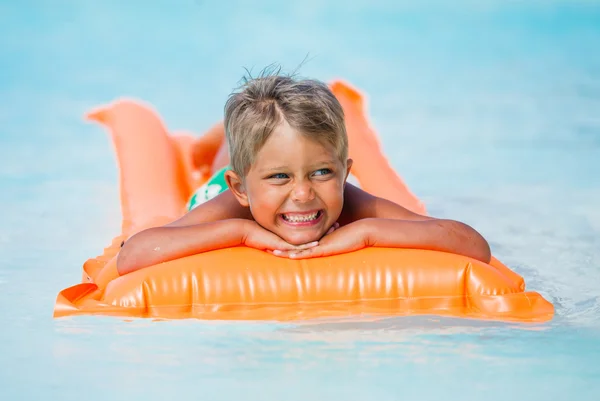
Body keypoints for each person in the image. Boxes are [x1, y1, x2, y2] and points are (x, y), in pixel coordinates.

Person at [117, 69, 491, 275]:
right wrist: (241, 231)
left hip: (264, 172)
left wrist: (366, 232)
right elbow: (133, 254)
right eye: (281, 177)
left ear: (345, 175)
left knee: (272, 145)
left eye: (322, 173)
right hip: (221, 181)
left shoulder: (354, 206)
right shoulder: (232, 204)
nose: (303, 194)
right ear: (242, 188)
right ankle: (219, 138)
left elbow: (473, 244)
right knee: (229, 153)